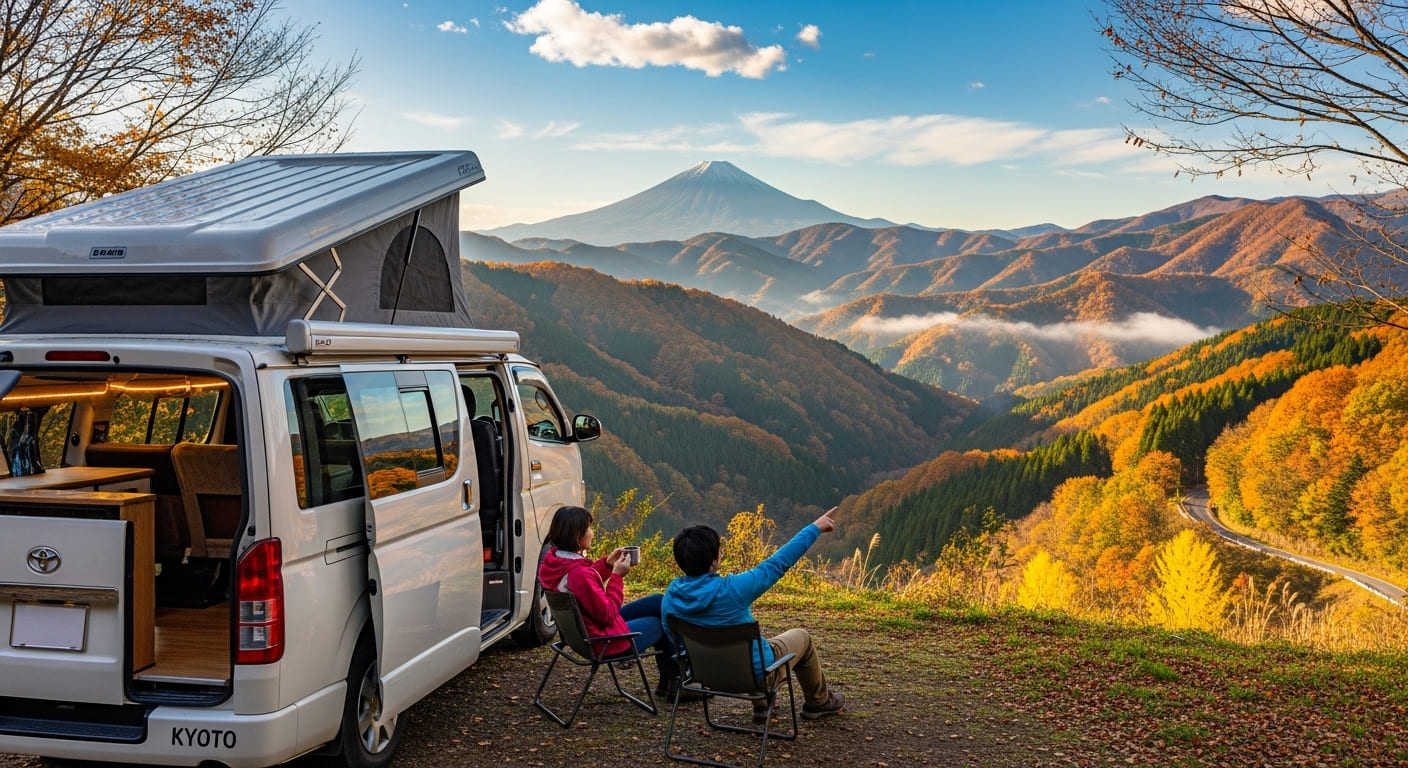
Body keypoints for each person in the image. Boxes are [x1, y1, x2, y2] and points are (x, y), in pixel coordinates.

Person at [661, 507, 846, 721]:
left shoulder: (670, 597)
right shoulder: (733, 590)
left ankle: (763, 706)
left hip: (705, 676)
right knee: (801, 637)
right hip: (756, 675)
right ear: (713, 561)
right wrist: (814, 528)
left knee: (751, 647)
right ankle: (818, 702)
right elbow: (777, 563)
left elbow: (674, 640)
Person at [537, 505, 696, 701]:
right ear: (577, 536)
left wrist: (606, 564)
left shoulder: (553, 561)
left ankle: (672, 682)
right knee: (662, 621)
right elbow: (607, 614)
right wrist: (617, 577)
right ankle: (676, 684)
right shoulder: (579, 574)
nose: (592, 533)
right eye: (589, 528)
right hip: (602, 642)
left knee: (659, 602)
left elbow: (582, 586)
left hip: (583, 631)